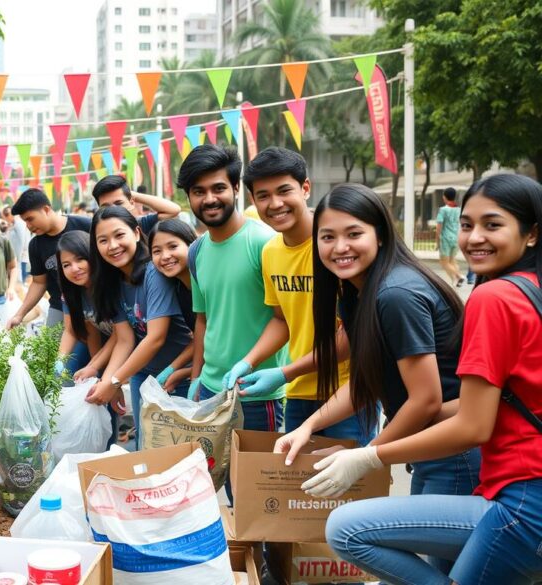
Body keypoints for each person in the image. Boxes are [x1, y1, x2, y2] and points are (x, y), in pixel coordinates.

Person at [297, 174, 542, 585]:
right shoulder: (524, 289)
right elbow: (478, 401)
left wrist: (369, 456)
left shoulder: (481, 296)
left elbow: (460, 417)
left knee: (347, 529)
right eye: (466, 225)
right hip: (508, 485)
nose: (474, 237)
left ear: (531, 234)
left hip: (514, 495)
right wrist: (310, 424)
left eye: (493, 225)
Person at [274, 182, 480, 574]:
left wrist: (367, 456)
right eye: (328, 237)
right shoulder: (360, 292)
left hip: (455, 453)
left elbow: (425, 400)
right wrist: (312, 425)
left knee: (375, 545)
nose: (340, 247)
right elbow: (368, 379)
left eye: (354, 234)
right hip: (430, 450)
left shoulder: (395, 293)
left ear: (380, 235)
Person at [229, 147, 373, 445]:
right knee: (298, 491)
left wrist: (284, 372)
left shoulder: (338, 247)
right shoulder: (270, 252)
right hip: (297, 395)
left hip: (348, 391)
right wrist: (249, 361)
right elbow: (281, 319)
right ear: (253, 201)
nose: (275, 203)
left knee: (351, 490)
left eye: (284, 191)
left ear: (305, 188)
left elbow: (353, 335)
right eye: (263, 195)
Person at [182, 145, 287, 434]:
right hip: (208, 391)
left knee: (248, 481)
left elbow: (284, 319)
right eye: (198, 191)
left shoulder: (265, 243)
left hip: (255, 393)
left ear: (236, 188)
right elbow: (203, 320)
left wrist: (247, 364)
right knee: (210, 478)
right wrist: (196, 379)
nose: (210, 199)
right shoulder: (196, 251)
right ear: (189, 197)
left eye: (218, 188)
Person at [85, 206, 194, 450]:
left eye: (118, 235)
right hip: (143, 376)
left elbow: (155, 337)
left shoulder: (153, 273)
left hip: (178, 376)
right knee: (146, 448)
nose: (112, 245)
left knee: (179, 452)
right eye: (103, 240)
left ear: (136, 233)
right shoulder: (111, 281)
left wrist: (113, 382)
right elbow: (124, 339)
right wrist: (108, 382)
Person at [5, 188, 91, 329]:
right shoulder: (36, 245)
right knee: (51, 347)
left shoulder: (85, 225)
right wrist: (19, 315)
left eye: (30, 219)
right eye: (25, 221)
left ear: (46, 209)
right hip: (61, 305)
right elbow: (39, 283)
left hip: (94, 301)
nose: (28, 226)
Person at [56, 231, 116, 384]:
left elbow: (121, 336)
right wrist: (59, 361)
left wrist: (95, 366)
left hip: (129, 347)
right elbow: (83, 329)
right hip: (106, 345)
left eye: (80, 259)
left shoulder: (111, 285)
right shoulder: (73, 293)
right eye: (66, 265)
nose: (74, 269)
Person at [147, 218, 198, 391]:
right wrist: (173, 369)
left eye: (173, 246)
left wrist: (186, 373)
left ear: (191, 244)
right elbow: (200, 336)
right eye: (157, 251)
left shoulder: (206, 280)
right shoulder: (178, 287)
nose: (165, 256)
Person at [91, 175, 182, 236]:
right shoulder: (96, 233)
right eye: (106, 206)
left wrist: (134, 195)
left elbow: (174, 210)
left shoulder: (142, 224)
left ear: (131, 203)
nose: (113, 210)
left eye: (119, 203)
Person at [437, 187, 464, 286]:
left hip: (445, 239)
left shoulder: (443, 210)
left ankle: (459, 275)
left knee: (444, 262)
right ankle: (455, 281)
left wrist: (437, 240)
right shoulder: (459, 210)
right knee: (452, 260)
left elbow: (439, 226)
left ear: (444, 197)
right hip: (456, 237)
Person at [1, 205, 31, 284]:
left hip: (21, 256)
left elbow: (22, 241)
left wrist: (17, 256)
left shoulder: (19, 223)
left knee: (21, 280)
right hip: (17, 256)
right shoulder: (13, 224)